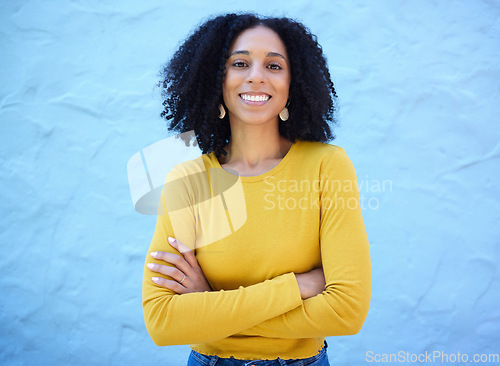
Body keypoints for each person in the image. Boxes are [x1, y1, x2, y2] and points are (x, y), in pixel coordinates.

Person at [142, 13, 371, 366]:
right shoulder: (187, 180)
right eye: (240, 63)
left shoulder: (328, 166)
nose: (256, 76)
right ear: (215, 79)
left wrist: (210, 306)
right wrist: (298, 286)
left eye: (274, 66)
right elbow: (162, 321)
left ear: (294, 83)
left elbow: (347, 312)